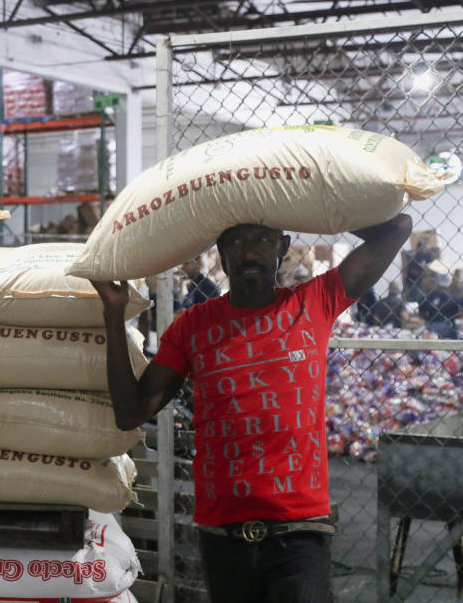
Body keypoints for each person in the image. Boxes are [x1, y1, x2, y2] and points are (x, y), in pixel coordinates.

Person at [92, 213, 411, 603]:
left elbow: (397, 228)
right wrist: (113, 313)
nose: (248, 250)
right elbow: (131, 412)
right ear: (221, 254)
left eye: (262, 239)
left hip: (300, 533)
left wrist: (297, 204)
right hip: (222, 535)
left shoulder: (315, 301)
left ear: (282, 247)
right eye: (236, 240)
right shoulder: (192, 326)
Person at [416, 260, 463, 339]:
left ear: (436, 280)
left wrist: (428, 317)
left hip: (432, 328)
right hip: (450, 327)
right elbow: (460, 313)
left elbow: (421, 311)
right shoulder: (454, 298)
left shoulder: (428, 297)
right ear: (449, 281)